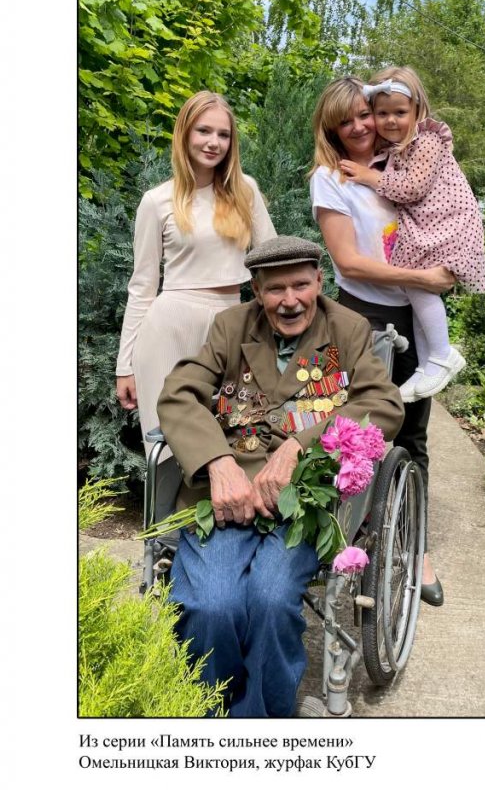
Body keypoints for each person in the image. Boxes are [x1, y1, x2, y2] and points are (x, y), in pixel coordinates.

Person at [157, 235, 404, 718]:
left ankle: (262, 723)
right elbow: (179, 393)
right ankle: (207, 714)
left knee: (270, 600)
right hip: (228, 496)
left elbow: (382, 403)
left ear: (319, 281)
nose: (290, 300)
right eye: (275, 289)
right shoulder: (231, 326)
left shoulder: (348, 328)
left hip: (304, 500)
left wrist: (298, 445)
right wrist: (217, 462)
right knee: (212, 605)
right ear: (256, 290)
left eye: (300, 285)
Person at [308, 77, 455, 607]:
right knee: (354, 429)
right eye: (344, 121)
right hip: (361, 316)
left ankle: (416, 547)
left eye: (363, 114)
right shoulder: (331, 180)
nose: (359, 127)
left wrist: (447, 265)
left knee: (413, 433)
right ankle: (346, 537)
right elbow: (348, 262)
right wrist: (423, 278)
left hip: (415, 315)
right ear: (331, 129)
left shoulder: (403, 164)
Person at [115, 91, 276, 456]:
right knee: (167, 449)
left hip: (234, 324)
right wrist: (125, 366)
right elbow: (142, 287)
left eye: (223, 134)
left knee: (237, 442)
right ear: (185, 133)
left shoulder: (245, 191)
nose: (213, 142)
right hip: (169, 327)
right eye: (204, 131)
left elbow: (272, 261)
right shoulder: (156, 201)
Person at [340, 66, 485, 401]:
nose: (390, 120)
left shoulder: (428, 141)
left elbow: (411, 188)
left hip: (448, 224)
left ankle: (443, 354)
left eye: (400, 112)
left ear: (418, 110)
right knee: (416, 289)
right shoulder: (399, 146)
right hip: (432, 223)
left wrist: (370, 177)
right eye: (382, 113)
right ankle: (426, 364)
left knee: (419, 287)